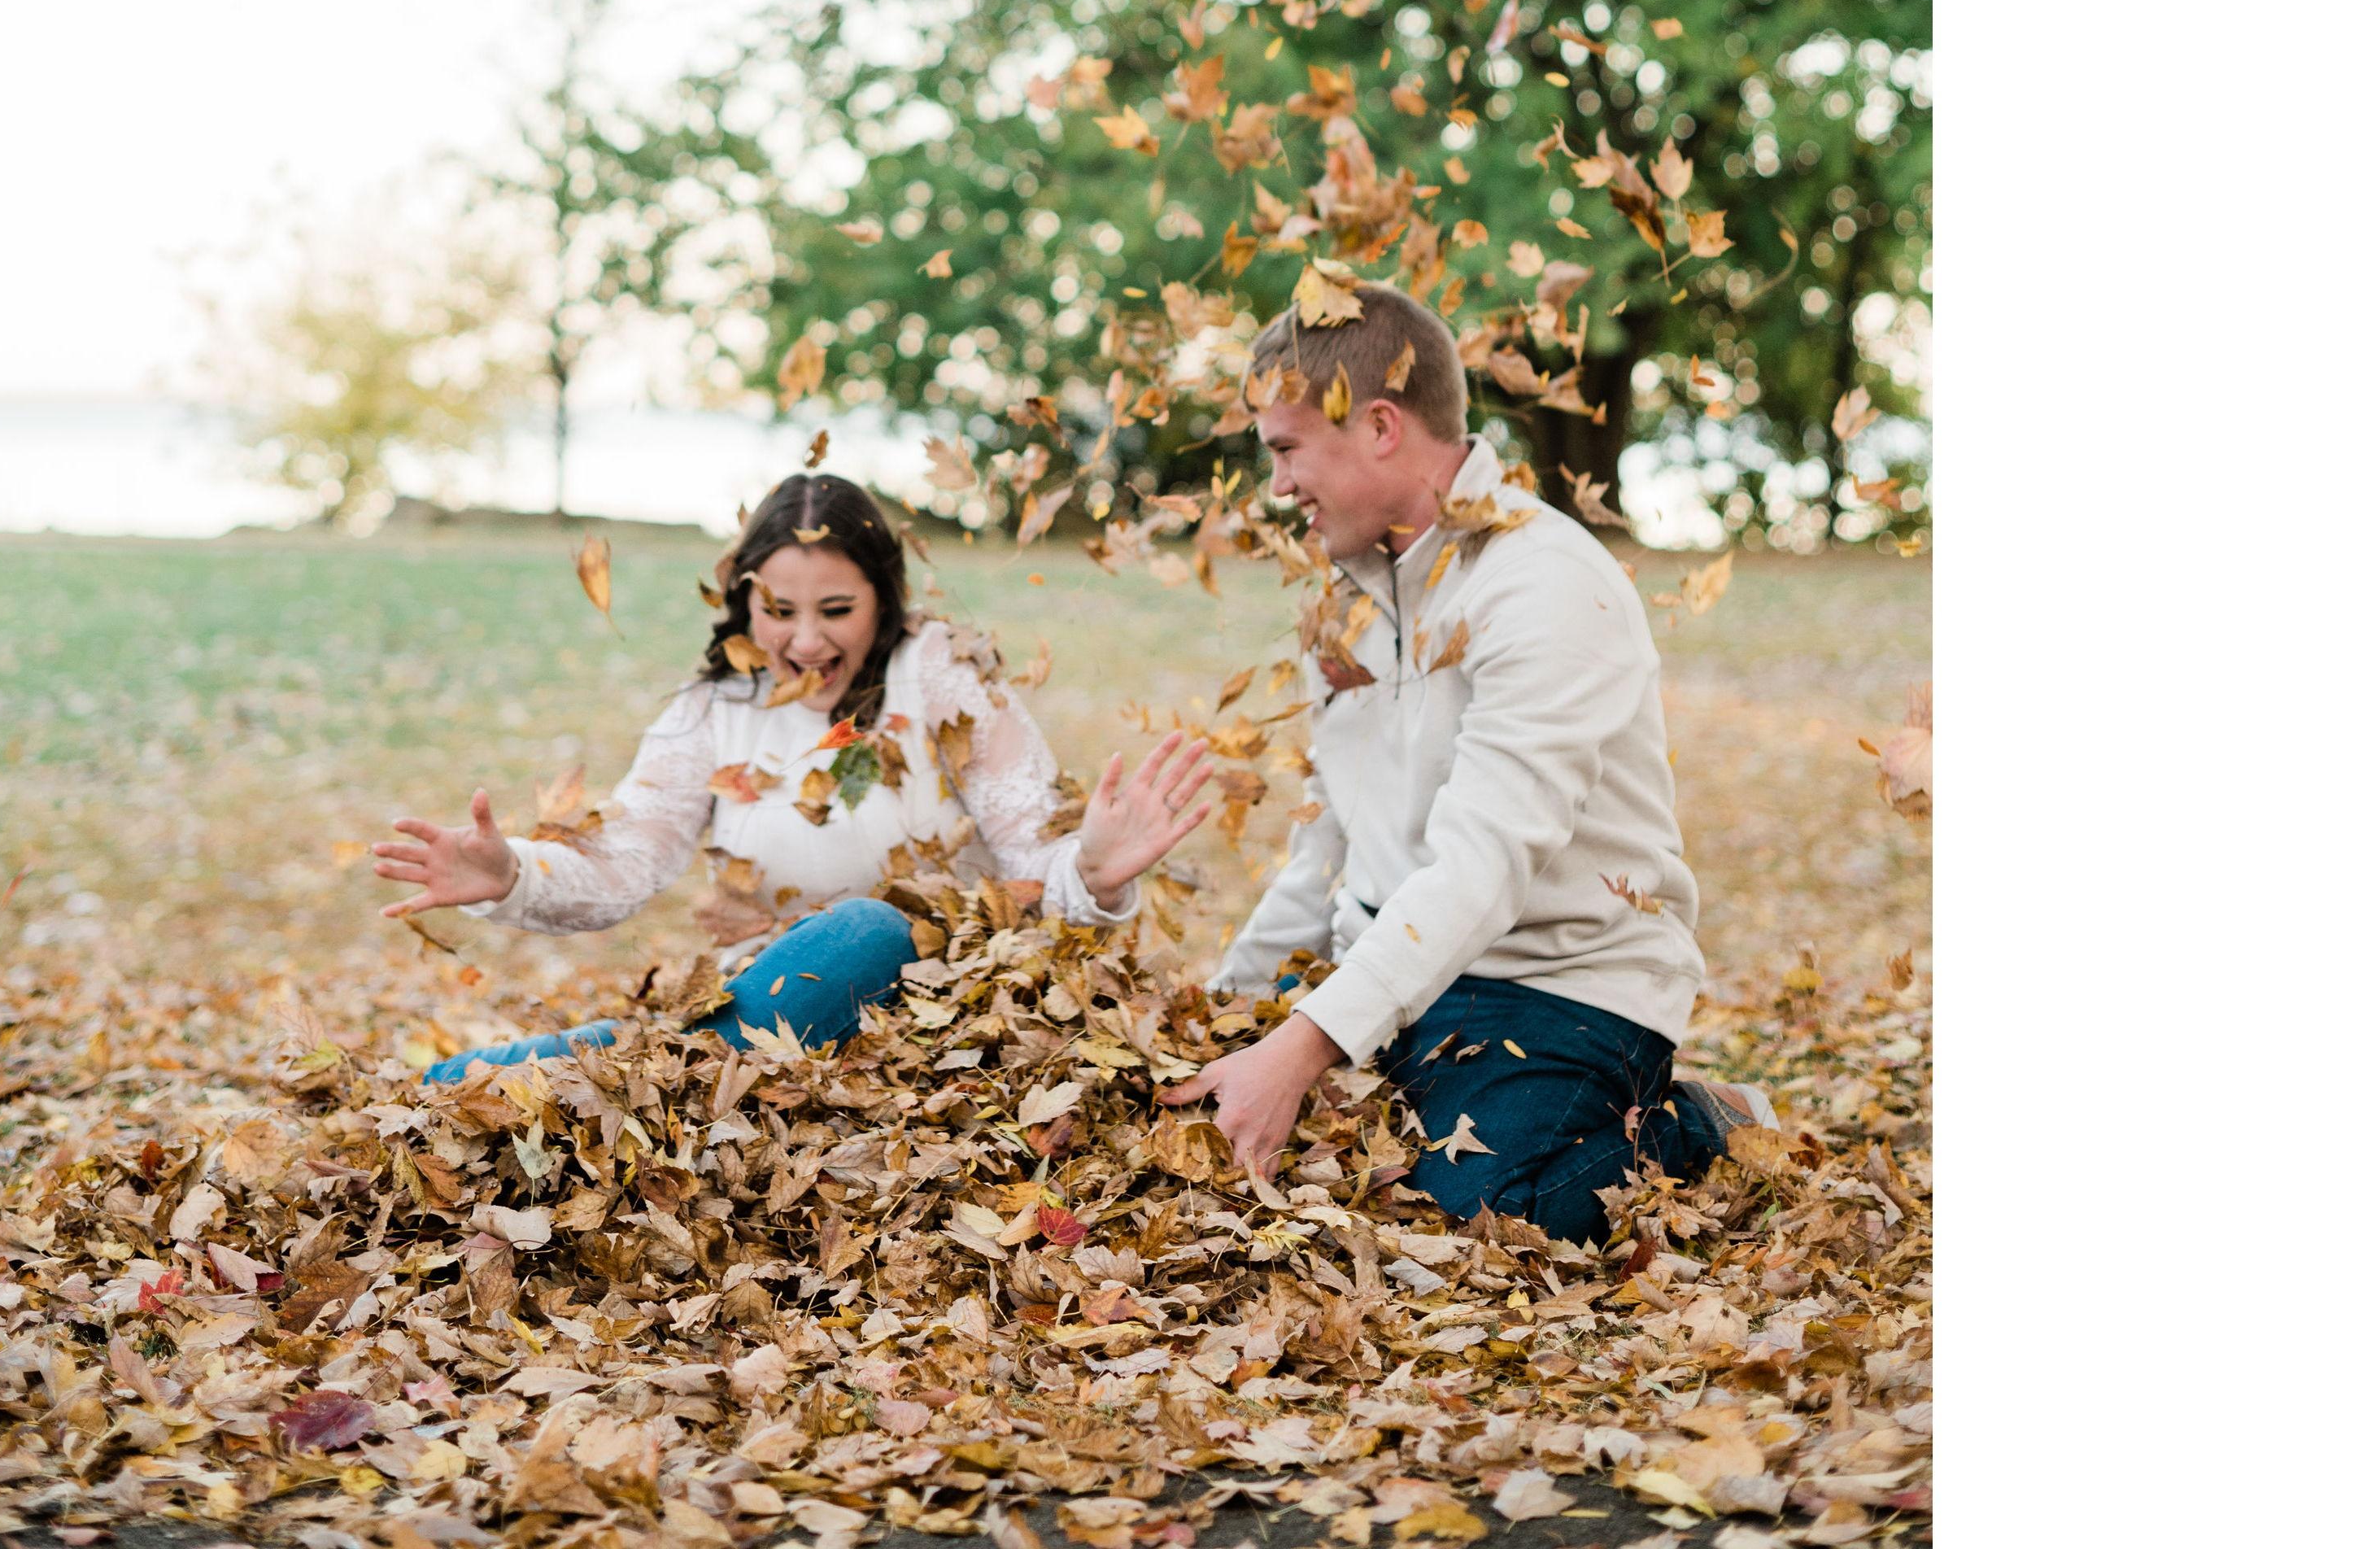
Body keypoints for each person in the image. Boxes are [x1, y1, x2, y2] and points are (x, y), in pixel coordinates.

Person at [1158, 283, 1766, 1239]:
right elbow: (1330, 843)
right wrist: (1228, 1009)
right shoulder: (1345, 599)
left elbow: (1484, 868)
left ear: (1382, 426)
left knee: (1478, 1215)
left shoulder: (1546, 585)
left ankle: (1697, 1124)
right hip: (1394, 975)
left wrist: (1300, 1050)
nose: (1276, 485)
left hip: (1562, 987)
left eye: (1285, 449)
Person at [372, 470, 1219, 1075]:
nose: (806, 642)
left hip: (942, 1017)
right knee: (725, 1020)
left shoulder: (945, 678)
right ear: (744, 603)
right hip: (763, 1020)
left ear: (883, 599)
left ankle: (637, 1074)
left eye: (837, 611)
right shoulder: (712, 711)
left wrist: (1095, 872)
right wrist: (511, 872)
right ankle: (645, 1076)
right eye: (778, 611)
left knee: (873, 932)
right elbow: (623, 860)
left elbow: (1036, 864)